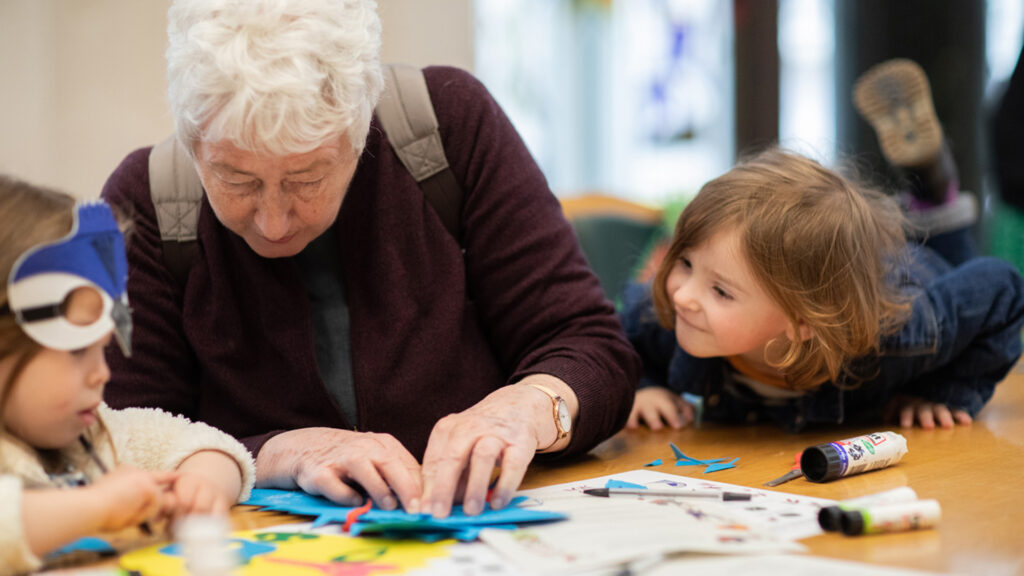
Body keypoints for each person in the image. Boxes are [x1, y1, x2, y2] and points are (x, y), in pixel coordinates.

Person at [101, 0, 639, 519]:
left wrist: (529, 409)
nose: (273, 221)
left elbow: (590, 346)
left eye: (306, 178)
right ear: (194, 145)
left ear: (360, 133)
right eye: (235, 179)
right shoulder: (147, 202)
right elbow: (124, 434)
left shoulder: (448, 125)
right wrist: (276, 454)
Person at [621, 146, 1024, 433]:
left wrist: (944, 393)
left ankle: (934, 197)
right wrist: (643, 386)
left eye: (721, 292)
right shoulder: (669, 317)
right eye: (686, 264)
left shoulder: (903, 336)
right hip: (833, 278)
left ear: (804, 322)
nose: (682, 296)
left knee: (949, 256)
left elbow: (1001, 289)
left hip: (909, 277)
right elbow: (620, 336)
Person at [0, 176, 255, 574]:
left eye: (103, 349)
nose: (101, 375)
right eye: (76, 350)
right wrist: (96, 506)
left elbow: (202, 442)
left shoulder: (100, 435)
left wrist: (200, 484)